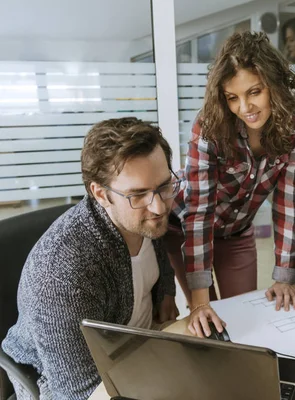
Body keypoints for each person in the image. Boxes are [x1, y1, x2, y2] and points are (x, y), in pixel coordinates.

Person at [1, 118, 178, 399]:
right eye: (138, 194)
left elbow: (163, 237)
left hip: (137, 353)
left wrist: (166, 291)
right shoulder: (61, 276)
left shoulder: (145, 215)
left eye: (163, 186)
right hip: (72, 384)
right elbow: (78, 393)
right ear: (100, 194)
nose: (159, 206)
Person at [168, 31, 295, 338]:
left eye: (255, 92)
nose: (245, 107)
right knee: (208, 323)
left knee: (243, 321)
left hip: (237, 231)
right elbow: (199, 211)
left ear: (274, 84)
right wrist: (198, 299)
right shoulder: (209, 127)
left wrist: (285, 273)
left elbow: (290, 195)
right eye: (232, 97)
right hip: (186, 228)